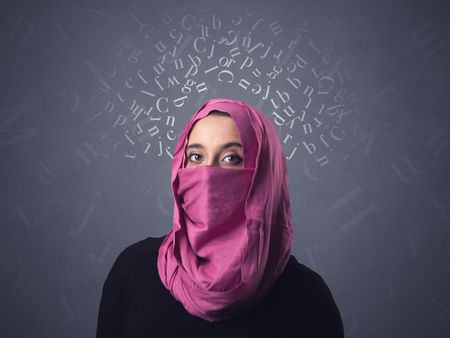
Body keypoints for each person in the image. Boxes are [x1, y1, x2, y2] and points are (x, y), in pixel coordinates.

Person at [96, 98, 345, 337]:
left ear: (265, 176)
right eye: (196, 157)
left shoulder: (308, 297)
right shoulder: (133, 270)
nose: (207, 175)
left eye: (231, 158)